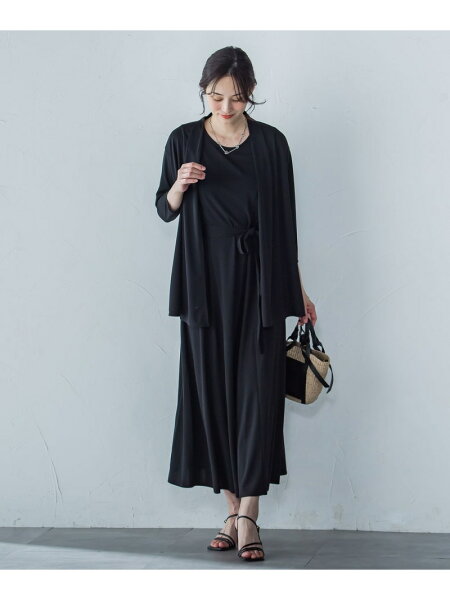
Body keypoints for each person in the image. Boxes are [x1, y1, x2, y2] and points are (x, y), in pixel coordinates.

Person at [155, 46, 317, 562]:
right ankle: (231, 510)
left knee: (257, 395)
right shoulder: (183, 140)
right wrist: (179, 184)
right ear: (204, 91)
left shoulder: (272, 144)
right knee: (213, 396)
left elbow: (286, 225)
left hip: (262, 284)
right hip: (204, 285)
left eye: (237, 98)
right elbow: (164, 209)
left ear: (251, 94)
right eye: (215, 96)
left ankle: (249, 514)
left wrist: (298, 288)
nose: (225, 107)